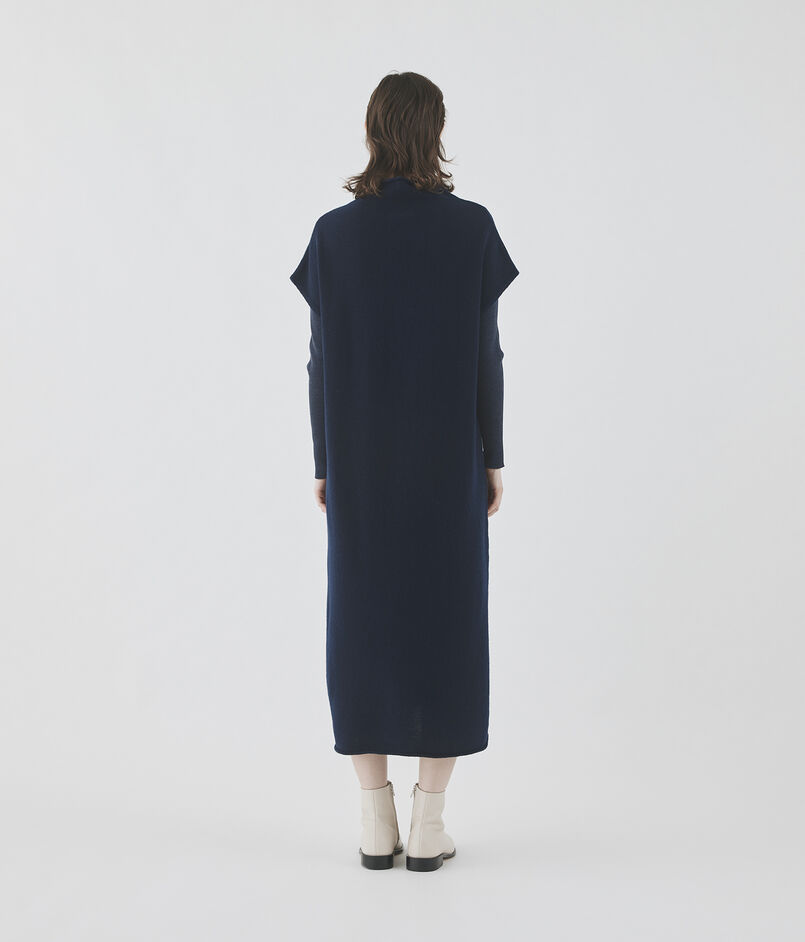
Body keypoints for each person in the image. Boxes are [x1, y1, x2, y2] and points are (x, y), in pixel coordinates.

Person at [290, 71, 519, 872]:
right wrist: (492, 457)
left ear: (372, 130)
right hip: (446, 460)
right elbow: (485, 355)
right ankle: (428, 825)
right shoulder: (471, 228)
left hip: (358, 461)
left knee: (360, 623)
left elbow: (320, 362)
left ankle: (372, 822)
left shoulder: (332, 235)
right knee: (446, 624)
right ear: (435, 132)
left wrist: (324, 461)